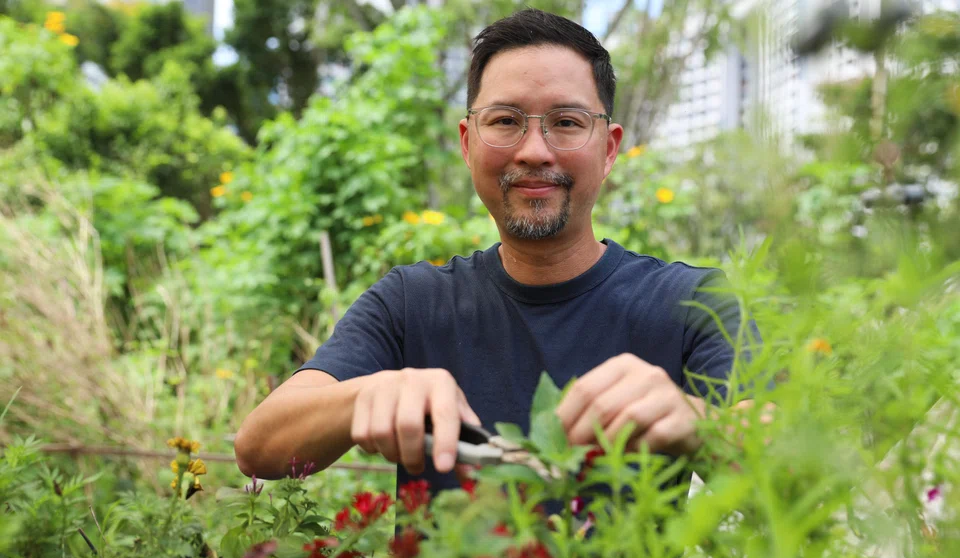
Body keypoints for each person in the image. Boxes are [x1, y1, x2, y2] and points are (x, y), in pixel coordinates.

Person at [234, 9, 762, 494]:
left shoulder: (693, 301)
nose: (534, 151)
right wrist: (363, 399)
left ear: (609, 149)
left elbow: (790, 463)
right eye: (506, 120)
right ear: (467, 143)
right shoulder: (411, 303)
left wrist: (700, 423)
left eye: (567, 122)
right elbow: (258, 446)